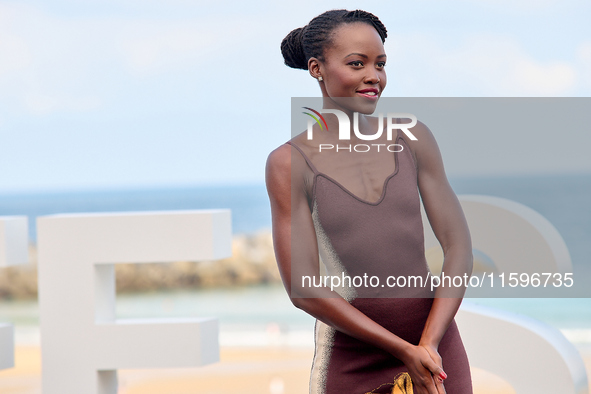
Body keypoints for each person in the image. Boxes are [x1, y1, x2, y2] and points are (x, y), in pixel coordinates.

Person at [265, 9, 473, 394]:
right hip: (352, 358)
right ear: (317, 68)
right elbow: (303, 287)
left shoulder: (413, 139)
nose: (373, 76)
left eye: (380, 64)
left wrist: (427, 344)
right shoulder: (288, 163)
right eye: (356, 64)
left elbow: (459, 248)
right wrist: (403, 350)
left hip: (437, 352)